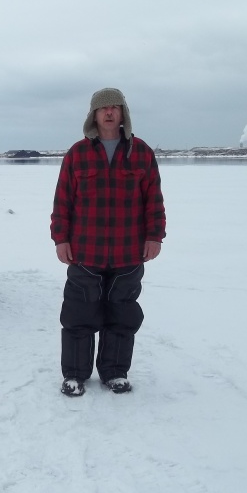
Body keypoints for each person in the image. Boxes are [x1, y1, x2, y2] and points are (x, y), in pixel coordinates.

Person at [51, 87, 166, 397]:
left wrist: (155, 236)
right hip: (85, 251)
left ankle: (114, 372)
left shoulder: (141, 152)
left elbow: (153, 199)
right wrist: (61, 238)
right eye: (104, 108)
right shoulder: (78, 153)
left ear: (123, 113)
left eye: (115, 107)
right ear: (94, 114)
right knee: (79, 314)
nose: (110, 112)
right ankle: (74, 374)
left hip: (128, 253)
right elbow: (63, 201)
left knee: (122, 314)